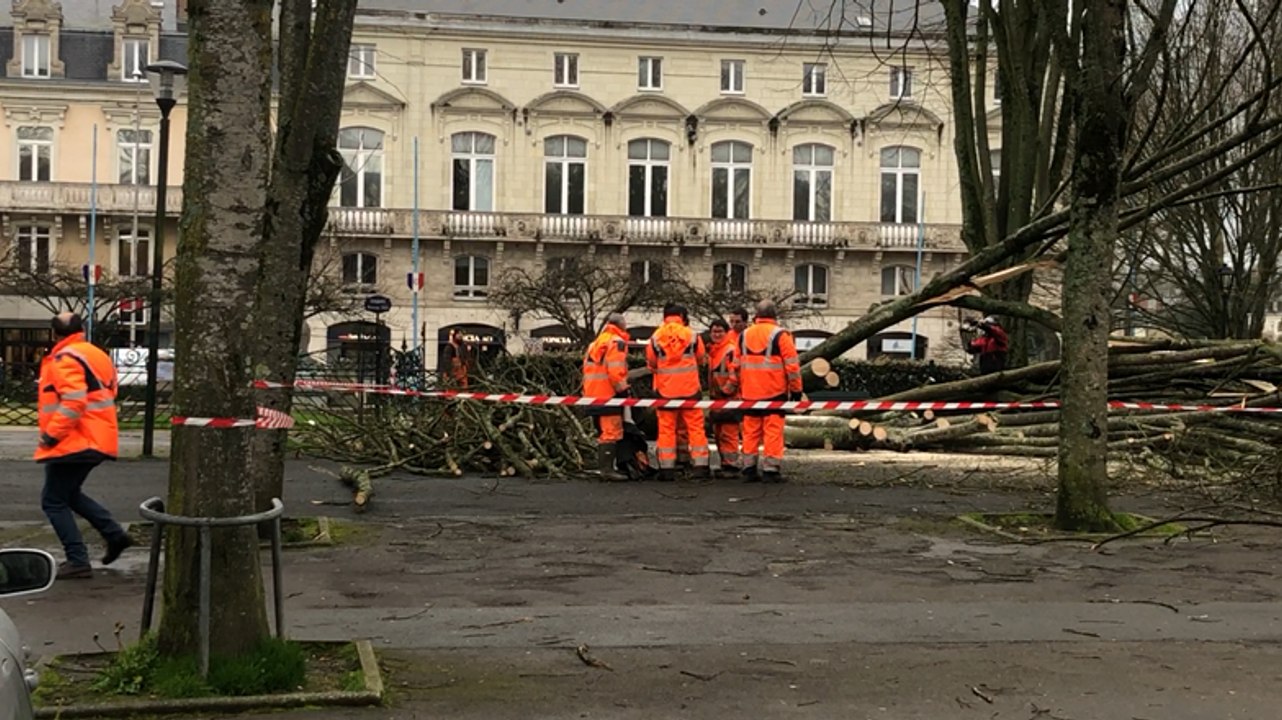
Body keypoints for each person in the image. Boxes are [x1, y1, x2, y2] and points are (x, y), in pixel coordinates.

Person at [36, 312, 132, 579]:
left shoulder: (64, 358)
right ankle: (114, 535)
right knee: (68, 494)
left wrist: (52, 435)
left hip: (74, 440)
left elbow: (74, 401)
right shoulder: (96, 354)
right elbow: (109, 391)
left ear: (54, 333)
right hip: (97, 436)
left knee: (53, 500)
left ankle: (77, 559)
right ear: (82, 329)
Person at [737, 300, 801, 483]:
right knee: (772, 431)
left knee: (750, 432)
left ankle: (748, 468)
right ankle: (770, 470)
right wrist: (796, 390)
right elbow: (792, 366)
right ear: (774, 316)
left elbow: (736, 363)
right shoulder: (780, 335)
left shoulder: (744, 335)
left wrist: (736, 386)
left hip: (749, 392)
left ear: (756, 315)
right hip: (774, 391)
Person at [646, 303, 709, 481]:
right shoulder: (692, 335)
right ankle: (700, 466)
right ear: (681, 316)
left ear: (664, 316)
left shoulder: (656, 337)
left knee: (666, 429)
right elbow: (701, 358)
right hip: (690, 390)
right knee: (695, 428)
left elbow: (652, 362)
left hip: (666, 391)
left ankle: (667, 468)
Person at [582, 313, 631, 481]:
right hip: (609, 393)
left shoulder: (595, 344)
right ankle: (607, 470)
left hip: (593, 393)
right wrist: (622, 390)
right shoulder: (617, 342)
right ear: (621, 325)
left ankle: (606, 468)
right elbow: (615, 371)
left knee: (603, 432)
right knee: (611, 432)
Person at [706, 319, 741, 478]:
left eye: (720, 331)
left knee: (728, 433)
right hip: (717, 398)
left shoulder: (729, 350)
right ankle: (725, 463)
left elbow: (735, 375)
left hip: (728, 398)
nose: (717, 334)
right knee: (719, 433)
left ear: (726, 333)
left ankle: (731, 466)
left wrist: (727, 391)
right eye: (714, 331)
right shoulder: (714, 351)